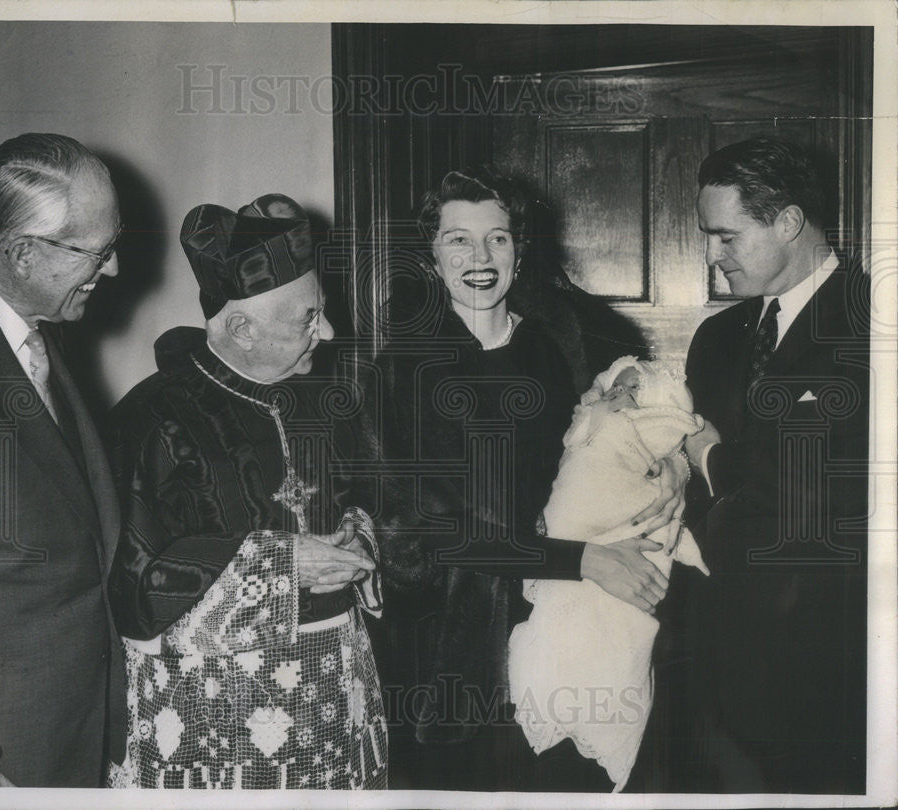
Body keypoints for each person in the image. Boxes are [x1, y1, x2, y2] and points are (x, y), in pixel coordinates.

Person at [353, 168, 683, 792]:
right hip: (457, 652)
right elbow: (422, 536)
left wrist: (668, 464)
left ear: (520, 249)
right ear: (431, 253)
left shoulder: (560, 348)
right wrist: (583, 559)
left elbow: (616, 438)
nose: (479, 259)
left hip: (572, 632)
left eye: (497, 239)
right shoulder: (400, 372)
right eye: (458, 240)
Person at [106, 195, 389, 790]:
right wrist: (282, 566)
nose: (329, 332)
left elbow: (367, 499)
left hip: (335, 697)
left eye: (323, 311)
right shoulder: (152, 417)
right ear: (241, 327)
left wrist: (357, 539)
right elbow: (134, 585)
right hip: (219, 711)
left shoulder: (331, 400)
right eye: (308, 318)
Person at [0, 133, 126, 786]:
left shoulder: (33, 331)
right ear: (21, 252)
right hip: (2, 758)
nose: (114, 270)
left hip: (68, 735)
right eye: (97, 252)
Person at [681, 138, 869, 792]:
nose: (712, 254)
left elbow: (812, 504)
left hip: (824, 668)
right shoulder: (717, 338)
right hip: (712, 657)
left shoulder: (874, 325)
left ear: (788, 223)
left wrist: (710, 458)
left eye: (726, 236)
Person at [508, 356, 709, 791]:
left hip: (605, 571)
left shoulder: (555, 347)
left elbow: (670, 428)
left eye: (631, 390)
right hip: (494, 595)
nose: (618, 395)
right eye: (615, 388)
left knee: (610, 649)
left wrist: (677, 461)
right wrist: (577, 555)